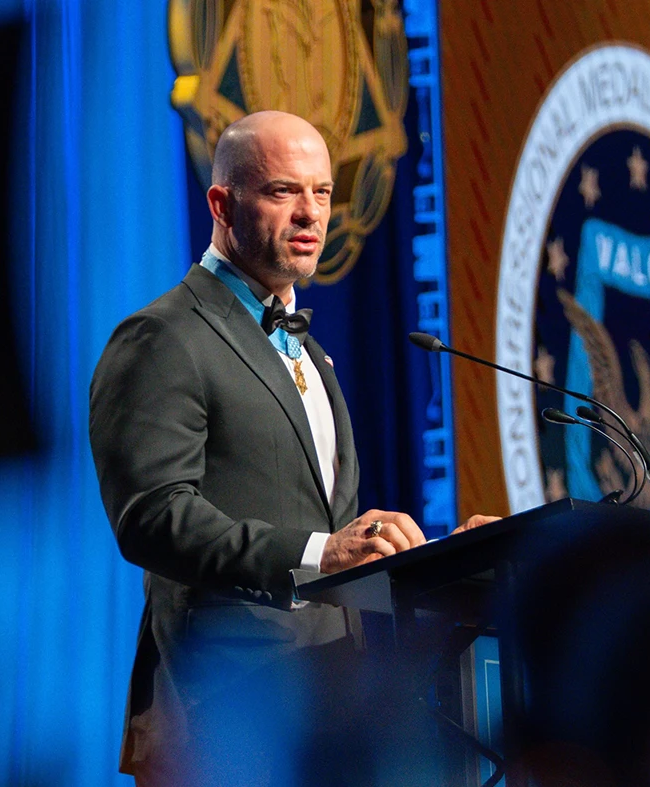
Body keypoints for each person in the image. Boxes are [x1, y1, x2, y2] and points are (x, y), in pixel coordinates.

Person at [88, 111, 495, 785]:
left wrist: (442, 562)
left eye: (323, 192)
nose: (310, 213)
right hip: (224, 708)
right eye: (283, 191)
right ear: (221, 204)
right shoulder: (164, 336)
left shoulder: (310, 354)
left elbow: (322, 529)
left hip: (334, 709)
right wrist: (319, 553)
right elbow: (152, 516)